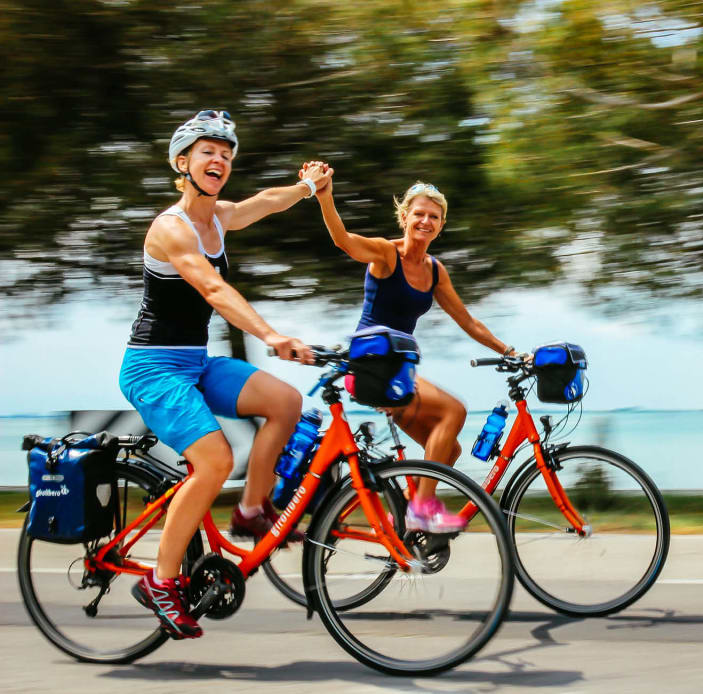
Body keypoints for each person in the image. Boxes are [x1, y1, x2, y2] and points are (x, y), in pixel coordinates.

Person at [119, 110, 328, 639]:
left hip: (195, 362)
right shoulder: (171, 228)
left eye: (227, 154)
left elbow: (265, 203)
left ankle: (253, 509)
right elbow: (213, 290)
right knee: (214, 460)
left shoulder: (220, 217)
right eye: (209, 152)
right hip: (152, 367)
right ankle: (161, 581)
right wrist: (271, 335)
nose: (220, 161)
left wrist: (306, 186)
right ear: (183, 162)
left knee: (285, 403)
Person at [306, 162, 523, 533]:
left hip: (398, 372)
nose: (426, 221)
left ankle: (406, 520)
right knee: (453, 411)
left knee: (447, 452)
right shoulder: (385, 255)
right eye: (419, 214)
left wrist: (510, 351)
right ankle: (422, 508)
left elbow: (468, 321)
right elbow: (343, 240)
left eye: (434, 217)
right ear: (404, 217)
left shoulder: (435, 271)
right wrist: (325, 196)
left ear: (441, 225)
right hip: (371, 366)